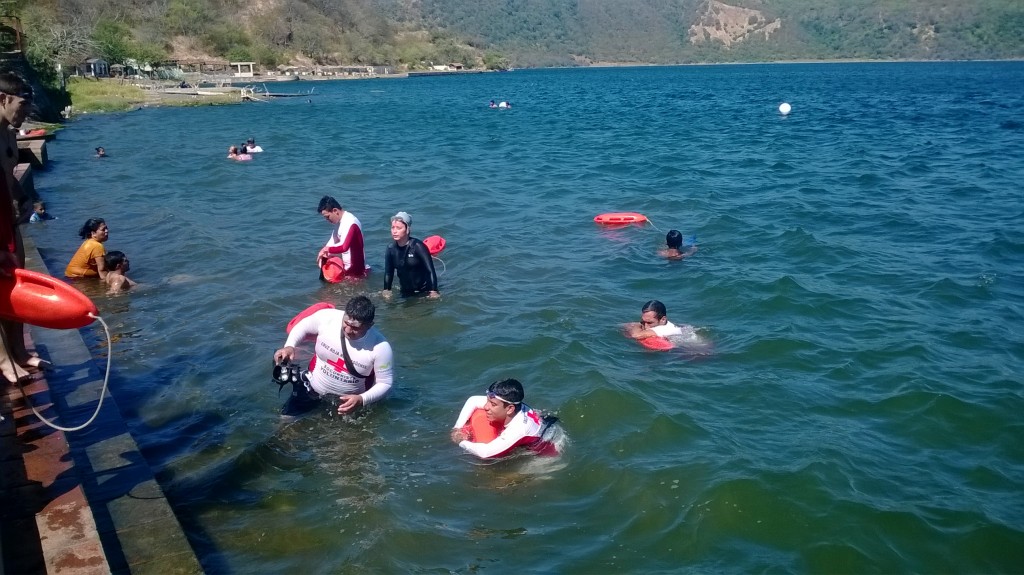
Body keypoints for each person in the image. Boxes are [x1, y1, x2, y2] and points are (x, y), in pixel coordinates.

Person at [273, 296, 394, 417]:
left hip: (348, 403)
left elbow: (385, 383)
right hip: (312, 388)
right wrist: (289, 346)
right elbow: (302, 326)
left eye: (355, 328)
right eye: (346, 323)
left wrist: (362, 399)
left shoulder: (380, 347)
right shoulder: (328, 318)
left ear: (369, 325)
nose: (348, 330)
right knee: (286, 422)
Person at [0, 72, 42, 382]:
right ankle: (3, 360)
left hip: (9, 218)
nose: (26, 111)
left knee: (17, 286)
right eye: (21, 104)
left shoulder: (10, 134)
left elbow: (7, 175)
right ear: (3, 99)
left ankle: (19, 351)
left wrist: (23, 197)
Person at [450, 379, 558, 459]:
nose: (486, 407)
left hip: (545, 450)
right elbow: (473, 400)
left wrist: (461, 441)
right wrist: (457, 428)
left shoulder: (519, 428)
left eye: (492, 404)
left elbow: (485, 453)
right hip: (540, 425)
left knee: (500, 481)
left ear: (510, 409)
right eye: (487, 401)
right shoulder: (507, 403)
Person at [382, 211, 439, 299]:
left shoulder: (418, 246)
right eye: (393, 227)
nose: (394, 231)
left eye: (398, 228)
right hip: (405, 292)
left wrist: (433, 291)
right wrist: (386, 290)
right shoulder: (390, 249)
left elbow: (430, 270)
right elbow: (389, 273)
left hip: (423, 291)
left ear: (408, 229)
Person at [316, 195, 367, 278]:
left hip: (356, 272)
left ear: (335, 210)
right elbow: (332, 241)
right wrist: (323, 252)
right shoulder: (339, 222)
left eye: (327, 217)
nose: (327, 220)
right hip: (347, 270)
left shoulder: (350, 222)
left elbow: (344, 247)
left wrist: (327, 250)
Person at [624, 299, 699, 341]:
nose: (646, 326)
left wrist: (637, 325)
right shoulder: (667, 324)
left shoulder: (663, 329)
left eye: (650, 323)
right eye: (643, 321)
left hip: (695, 353)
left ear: (663, 319)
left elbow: (635, 335)